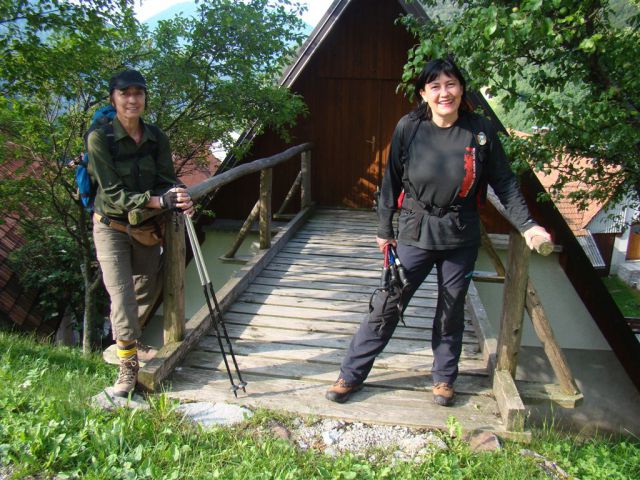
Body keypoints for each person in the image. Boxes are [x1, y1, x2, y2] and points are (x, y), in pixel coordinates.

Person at [325, 58, 551, 406]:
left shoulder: (481, 131)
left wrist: (529, 225)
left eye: (451, 84)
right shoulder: (410, 127)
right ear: (424, 93)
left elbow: (504, 183)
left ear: (461, 88)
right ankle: (350, 374)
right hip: (416, 230)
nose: (444, 93)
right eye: (435, 86)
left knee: (451, 308)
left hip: (461, 234)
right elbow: (390, 182)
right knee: (387, 303)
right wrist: (385, 229)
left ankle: (444, 378)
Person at [88, 69, 194, 397]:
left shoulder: (156, 137)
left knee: (148, 286)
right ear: (113, 99)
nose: (132, 99)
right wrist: (157, 200)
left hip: (145, 228)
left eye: (138, 93)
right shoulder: (99, 139)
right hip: (111, 227)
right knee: (122, 297)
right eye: (125, 94)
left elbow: (165, 178)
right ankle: (127, 367)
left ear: (145, 98)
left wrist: (179, 194)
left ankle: (127, 340)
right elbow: (113, 194)